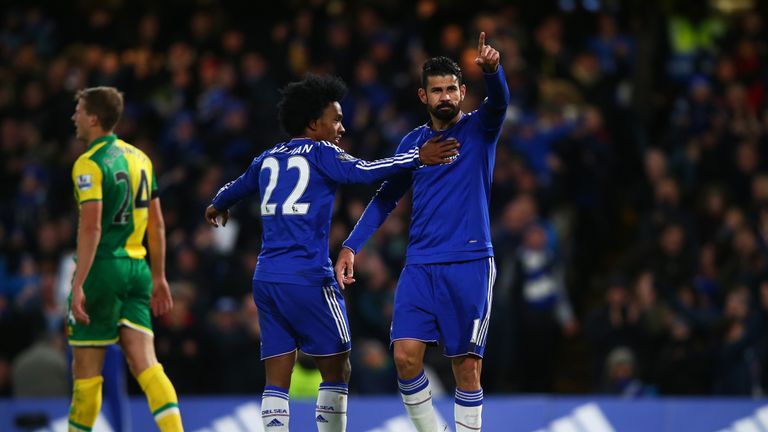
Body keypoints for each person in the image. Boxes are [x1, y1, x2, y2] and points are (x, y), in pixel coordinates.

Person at [204, 74, 459, 432]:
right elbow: (364, 172)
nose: (342, 126)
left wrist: (217, 205)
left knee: (277, 376)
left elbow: (235, 187)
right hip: (309, 277)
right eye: (335, 119)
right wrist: (417, 157)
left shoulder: (267, 157)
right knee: (339, 367)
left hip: (267, 280)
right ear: (313, 124)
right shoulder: (323, 152)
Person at [335, 32, 510, 432]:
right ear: (423, 97)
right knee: (404, 359)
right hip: (420, 266)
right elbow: (385, 198)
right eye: (437, 90)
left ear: (464, 91)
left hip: (469, 263)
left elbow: (500, 102)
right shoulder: (413, 143)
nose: (445, 96)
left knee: (466, 368)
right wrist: (350, 245)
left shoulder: (481, 129)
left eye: (452, 89)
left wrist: (494, 71)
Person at [67, 86, 183, 432]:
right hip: (139, 268)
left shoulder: (88, 164)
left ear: (93, 118)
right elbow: (158, 224)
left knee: (86, 374)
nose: (74, 116)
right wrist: (159, 276)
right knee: (147, 364)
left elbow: (91, 227)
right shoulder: (141, 159)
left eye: (78, 110)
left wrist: (77, 284)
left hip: (103, 268)